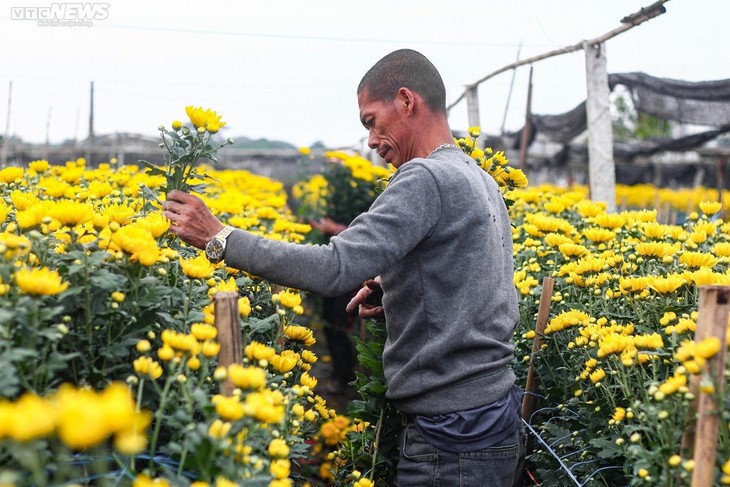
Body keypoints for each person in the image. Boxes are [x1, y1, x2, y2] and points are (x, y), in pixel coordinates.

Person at [163, 48, 525, 486]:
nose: (371, 140)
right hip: (491, 414)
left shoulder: (425, 178)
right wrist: (394, 289)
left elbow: (333, 267)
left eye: (371, 121)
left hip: (452, 435)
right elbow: (474, 278)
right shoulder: (477, 176)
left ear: (406, 101)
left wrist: (220, 238)